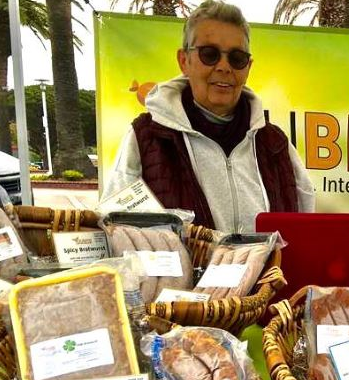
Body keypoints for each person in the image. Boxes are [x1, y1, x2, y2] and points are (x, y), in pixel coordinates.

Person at [104, 0, 315, 232]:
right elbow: (115, 227)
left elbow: (305, 229)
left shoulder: (275, 143)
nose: (224, 67)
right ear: (184, 61)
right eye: (209, 54)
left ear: (248, 67)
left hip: (270, 270)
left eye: (237, 58)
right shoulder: (145, 137)